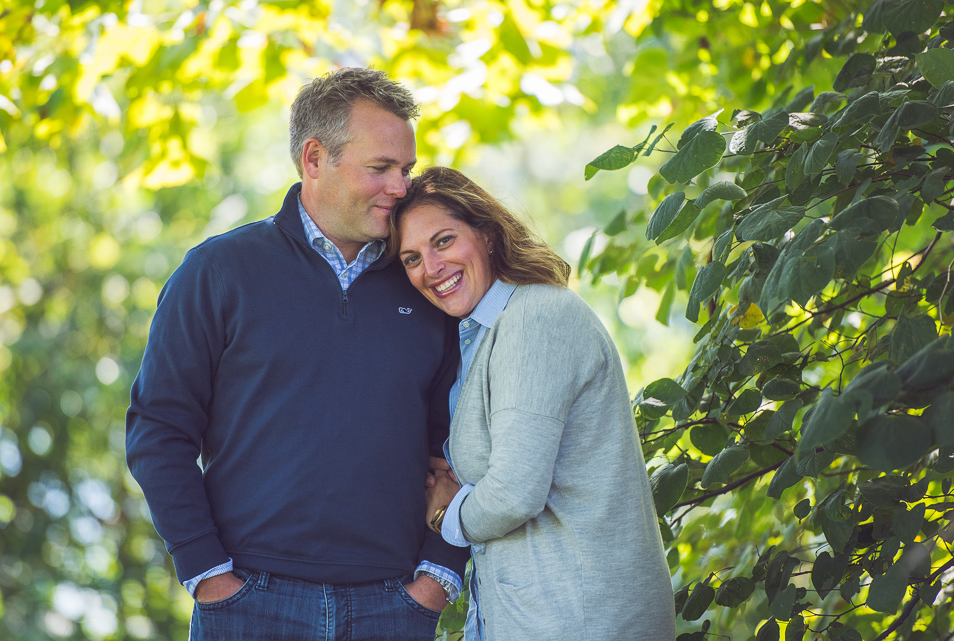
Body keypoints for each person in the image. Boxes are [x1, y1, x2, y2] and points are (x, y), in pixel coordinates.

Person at [125, 68, 469, 641]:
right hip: (247, 606)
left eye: (405, 169)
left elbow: (461, 442)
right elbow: (158, 430)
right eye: (381, 168)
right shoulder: (218, 272)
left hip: (394, 606)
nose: (401, 187)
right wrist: (207, 575)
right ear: (314, 159)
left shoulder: (427, 283)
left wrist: (437, 579)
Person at [391, 166, 676, 641]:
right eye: (410, 258)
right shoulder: (485, 333)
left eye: (443, 241)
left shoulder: (535, 318)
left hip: (581, 618)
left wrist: (446, 513)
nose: (430, 268)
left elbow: (513, 494)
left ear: (486, 233)